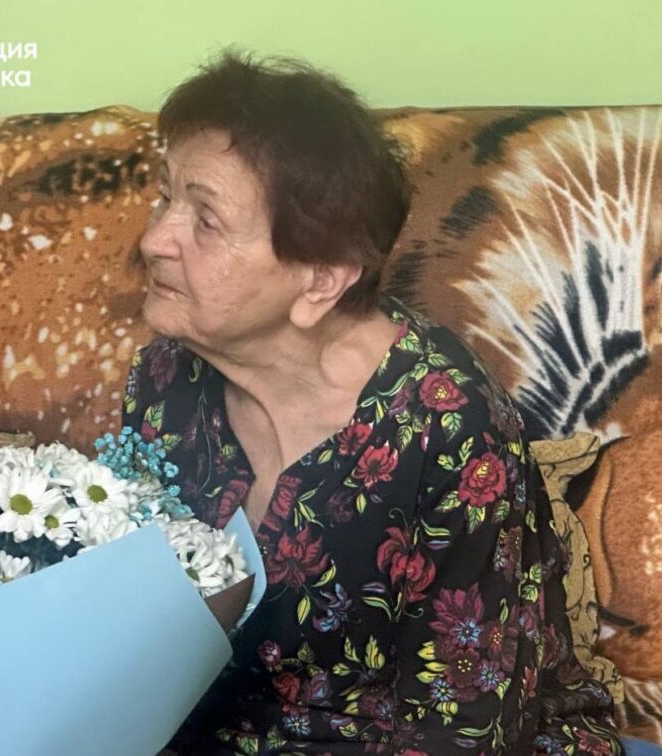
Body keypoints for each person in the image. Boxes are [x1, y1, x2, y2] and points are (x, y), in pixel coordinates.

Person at [122, 49, 621, 755]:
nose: (153, 240)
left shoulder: (447, 425)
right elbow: (139, 637)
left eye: (205, 220)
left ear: (321, 280)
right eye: (165, 197)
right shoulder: (164, 382)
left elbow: (466, 724)